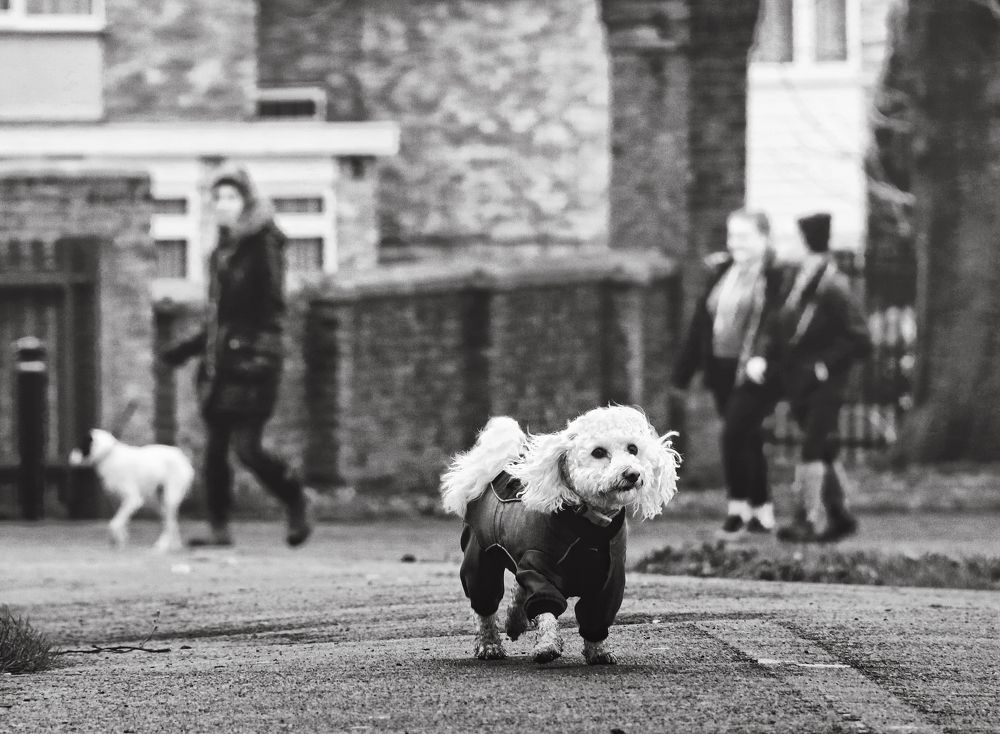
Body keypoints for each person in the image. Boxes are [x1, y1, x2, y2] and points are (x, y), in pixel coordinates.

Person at [161, 165, 312, 548]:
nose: (223, 205)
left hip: (254, 363)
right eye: (218, 198)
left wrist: (256, 351)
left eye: (231, 197)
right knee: (214, 450)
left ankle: (294, 500)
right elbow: (219, 319)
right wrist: (184, 351)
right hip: (221, 366)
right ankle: (219, 528)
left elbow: (272, 310)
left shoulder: (264, 246)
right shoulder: (221, 252)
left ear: (247, 201)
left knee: (247, 448)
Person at [672, 209, 786, 536]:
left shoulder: (776, 276)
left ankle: (738, 510)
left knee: (733, 434)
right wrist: (683, 373)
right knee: (748, 438)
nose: (735, 243)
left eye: (744, 236)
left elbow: (776, 322)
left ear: (764, 238)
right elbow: (700, 325)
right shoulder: (723, 271)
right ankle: (762, 511)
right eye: (732, 236)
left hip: (756, 372)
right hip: (721, 371)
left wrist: (763, 357)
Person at [771, 213, 872, 543]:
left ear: (806, 244)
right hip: (801, 383)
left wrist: (824, 366)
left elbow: (860, 339)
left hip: (826, 384)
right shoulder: (800, 280)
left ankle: (805, 519)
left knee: (812, 450)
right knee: (825, 449)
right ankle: (840, 516)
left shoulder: (835, 286)